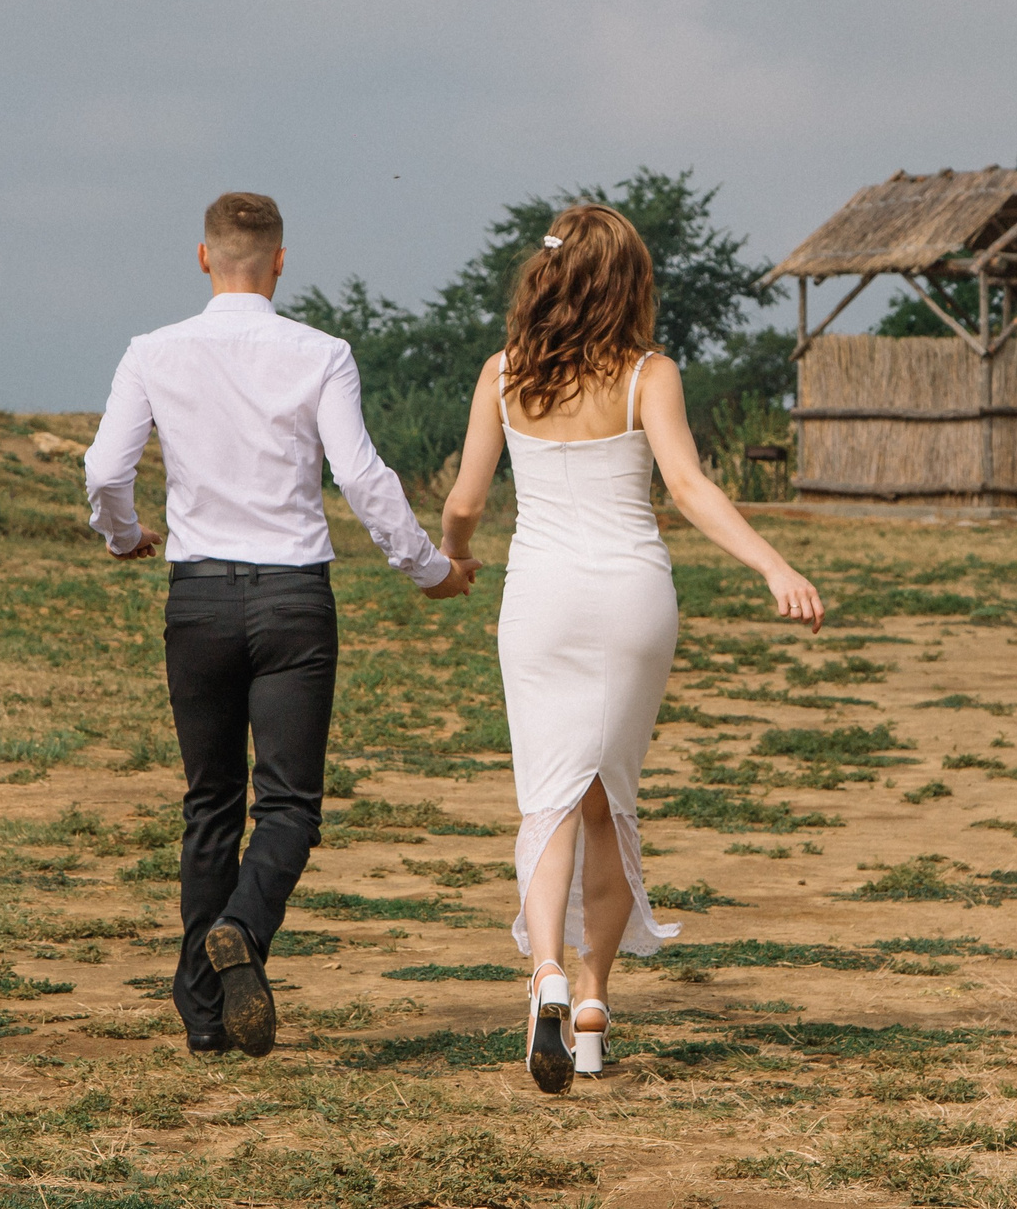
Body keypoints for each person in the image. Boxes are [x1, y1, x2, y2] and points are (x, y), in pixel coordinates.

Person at [439, 202, 823, 1094]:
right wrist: (773, 565)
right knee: (608, 797)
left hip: (538, 603)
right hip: (630, 600)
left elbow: (464, 498)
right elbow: (687, 485)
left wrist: (453, 559)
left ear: (544, 277)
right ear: (631, 284)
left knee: (548, 800)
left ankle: (544, 973)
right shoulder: (650, 373)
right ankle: (595, 1001)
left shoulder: (503, 375)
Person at [85, 191, 477, 1058]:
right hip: (295, 596)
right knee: (289, 804)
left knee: (210, 803)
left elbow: (107, 465)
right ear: (281, 261)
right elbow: (364, 478)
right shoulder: (321, 353)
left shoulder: (152, 352)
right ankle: (243, 929)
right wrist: (429, 569)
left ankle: (203, 1018)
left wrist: (124, 536)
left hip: (196, 598)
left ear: (202, 258)